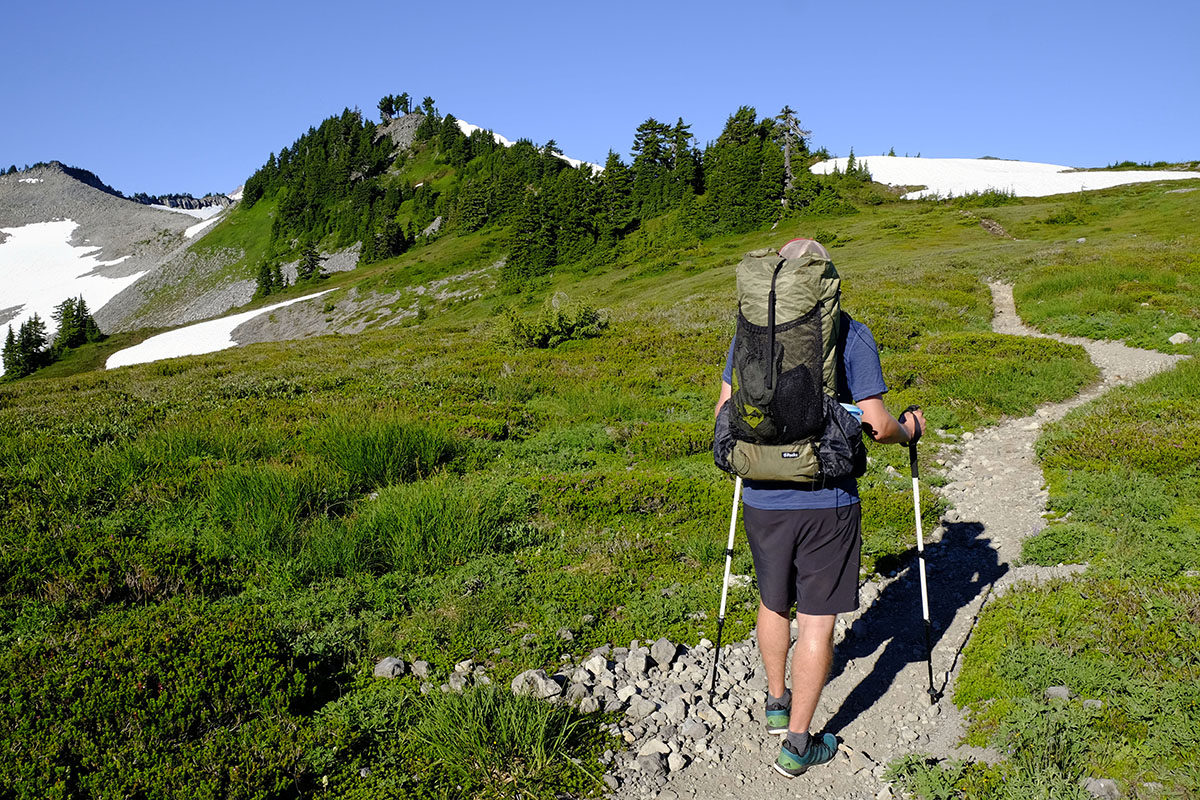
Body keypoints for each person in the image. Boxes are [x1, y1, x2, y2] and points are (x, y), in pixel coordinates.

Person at [713, 238, 924, 778]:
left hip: (760, 490)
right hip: (826, 497)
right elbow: (877, 424)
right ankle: (798, 745)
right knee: (816, 621)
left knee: (771, 603)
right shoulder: (849, 332)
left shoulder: (749, 331)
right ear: (825, 281)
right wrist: (910, 430)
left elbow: (724, 408)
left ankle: (776, 701)